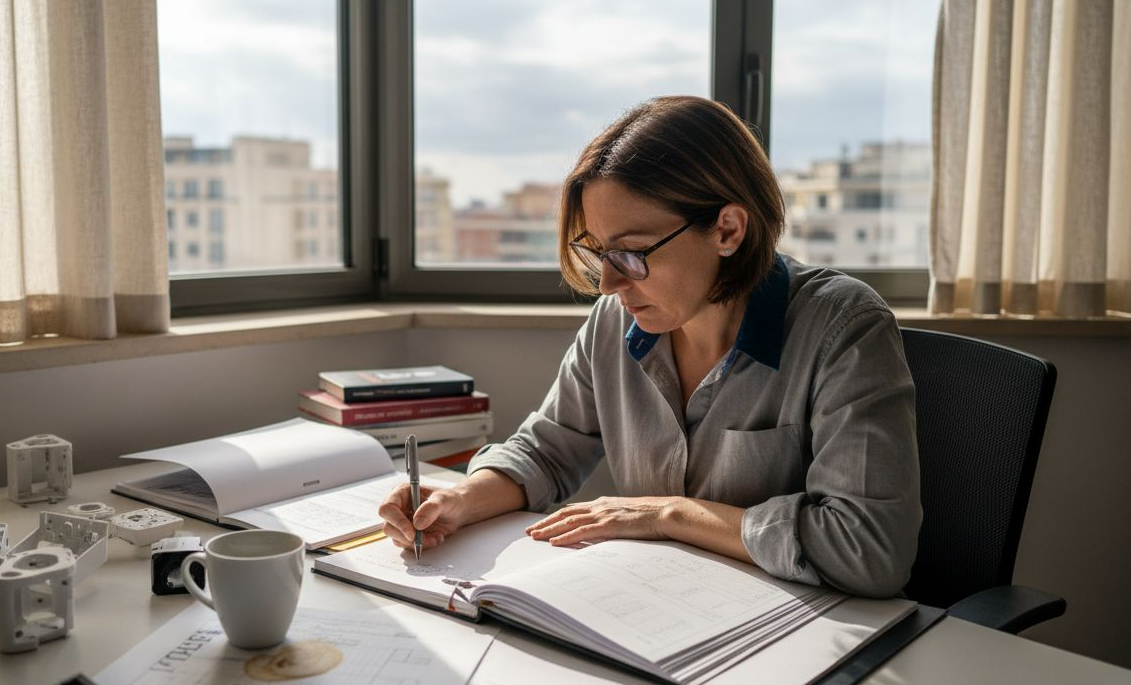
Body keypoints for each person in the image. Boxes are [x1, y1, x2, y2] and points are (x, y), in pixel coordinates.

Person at [378, 96, 921, 598]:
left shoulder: (843, 326)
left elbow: (869, 549)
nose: (609, 286)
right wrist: (460, 498)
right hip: (655, 609)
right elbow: (546, 450)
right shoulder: (614, 323)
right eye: (597, 255)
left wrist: (671, 515)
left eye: (633, 254)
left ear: (728, 230)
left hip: (796, 632)